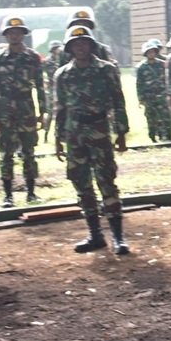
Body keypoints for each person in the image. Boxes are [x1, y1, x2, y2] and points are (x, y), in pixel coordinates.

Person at [52, 25, 130, 255]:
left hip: (99, 130)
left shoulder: (105, 70)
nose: (81, 47)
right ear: (70, 48)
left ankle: (118, 237)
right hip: (74, 133)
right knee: (81, 183)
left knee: (106, 181)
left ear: (91, 45)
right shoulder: (63, 74)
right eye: (76, 44)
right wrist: (58, 138)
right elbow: (60, 108)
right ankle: (95, 235)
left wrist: (121, 132)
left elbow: (118, 101)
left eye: (84, 43)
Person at [0, 15, 47, 206]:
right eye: (11, 33)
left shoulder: (32, 57)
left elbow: (39, 85)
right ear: (6, 35)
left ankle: (31, 192)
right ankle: (8, 195)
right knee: (6, 154)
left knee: (29, 152)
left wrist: (42, 111)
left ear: (23, 34)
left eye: (18, 32)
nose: (14, 36)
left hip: (26, 109)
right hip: (5, 111)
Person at [136, 39, 171, 142]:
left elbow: (167, 79)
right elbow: (139, 84)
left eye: (153, 52)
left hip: (162, 94)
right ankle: (152, 137)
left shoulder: (162, 64)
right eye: (149, 52)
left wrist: (169, 92)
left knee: (165, 115)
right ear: (145, 53)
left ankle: (167, 136)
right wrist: (141, 98)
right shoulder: (142, 67)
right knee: (151, 117)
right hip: (149, 96)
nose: (151, 54)